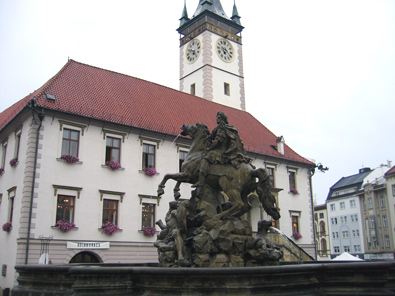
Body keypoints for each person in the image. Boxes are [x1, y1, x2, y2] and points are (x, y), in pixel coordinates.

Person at [192, 112, 248, 188]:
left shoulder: (222, 128)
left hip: (220, 150)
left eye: (218, 118)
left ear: (222, 119)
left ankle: (201, 181)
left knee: (205, 158)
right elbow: (211, 137)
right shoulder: (218, 128)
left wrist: (209, 148)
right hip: (220, 149)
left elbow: (217, 141)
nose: (216, 119)